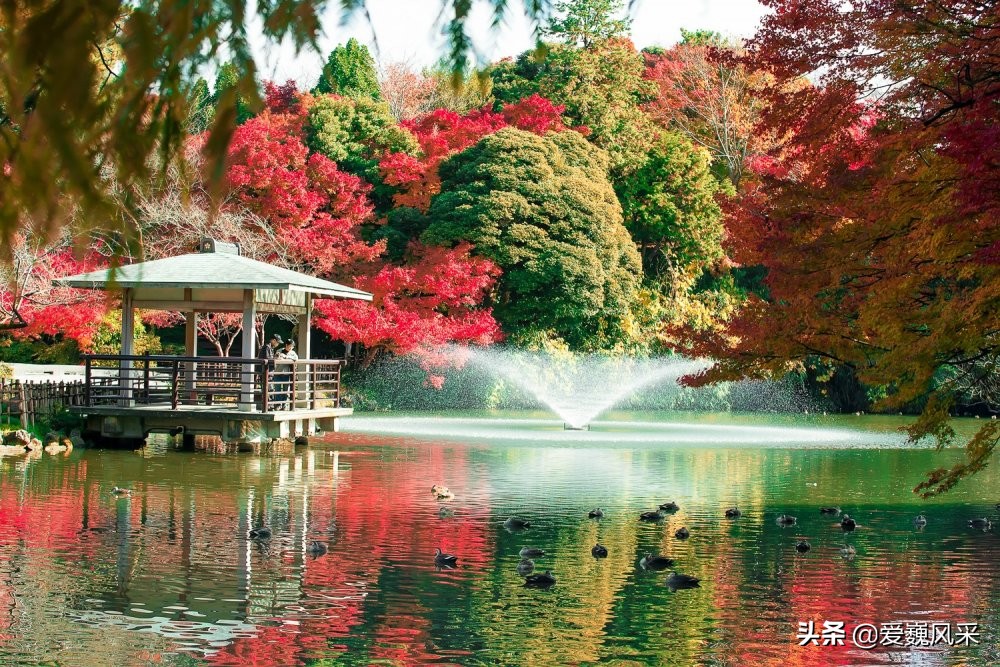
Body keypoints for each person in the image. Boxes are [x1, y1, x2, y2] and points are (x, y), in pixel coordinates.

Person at [257, 333, 281, 408]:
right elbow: (267, 359)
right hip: (265, 372)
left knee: (268, 389)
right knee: (268, 389)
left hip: (268, 372)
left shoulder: (269, 347)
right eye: (278, 342)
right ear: (273, 340)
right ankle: (268, 406)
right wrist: (275, 358)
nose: (278, 344)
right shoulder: (266, 347)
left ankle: (269, 405)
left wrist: (275, 357)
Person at [276, 339, 298, 410]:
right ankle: (278, 404)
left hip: (287, 373)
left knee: (286, 390)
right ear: (286, 345)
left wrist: (286, 357)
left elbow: (296, 359)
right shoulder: (279, 351)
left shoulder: (293, 353)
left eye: (292, 346)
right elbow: (277, 358)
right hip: (278, 372)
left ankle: (284, 404)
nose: (291, 348)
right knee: (277, 389)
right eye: (290, 346)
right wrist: (281, 357)